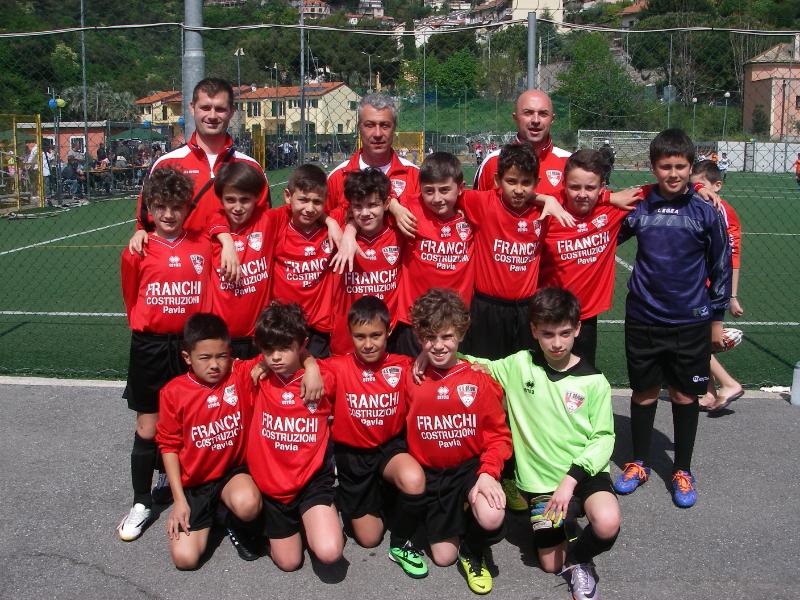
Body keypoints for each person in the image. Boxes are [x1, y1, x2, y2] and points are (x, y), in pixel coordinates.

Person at [462, 287, 620, 600]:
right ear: (534, 330)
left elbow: (604, 437)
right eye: (548, 334)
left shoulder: (594, 381)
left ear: (577, 329)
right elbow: (479, 364)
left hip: (582, 474)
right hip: (542, 482)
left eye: (565, 333)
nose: (557, 343)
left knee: (607, 522)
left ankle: (579, 562)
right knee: (549, 564)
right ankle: (560, 526)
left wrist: (571, 481)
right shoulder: (520, 365)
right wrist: (436, 354)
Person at [613, 129, 731, 509]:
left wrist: (716, 319)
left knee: (683, 394)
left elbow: (721, 265)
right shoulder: (640, 205)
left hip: (689, 321)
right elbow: (605, 235)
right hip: (643, 317)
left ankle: (682, 469)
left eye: (680, 166)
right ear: (654, 167)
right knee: (644, 393)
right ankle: (639, 462)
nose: (673, 173)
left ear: (690, 167)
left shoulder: (705, 209)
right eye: (665, 166)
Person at [117, 168, 216, 542]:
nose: (169, 214)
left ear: (188, 208)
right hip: (151, 346)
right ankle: (141, 502)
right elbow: (131, 299)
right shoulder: (138, 249)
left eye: (177, 207)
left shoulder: (202, 245)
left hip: (190, 345)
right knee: (148, 426)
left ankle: (183, 486)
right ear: (150, 210)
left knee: (190, 420)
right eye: (161, 207)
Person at [405, 289, 511, 594]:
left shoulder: (479, 379)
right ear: (419, 337)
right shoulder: (410, 376)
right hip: (433, 475)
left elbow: (499, 436)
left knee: (491, 515)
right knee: (442, 557)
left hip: (469, 468)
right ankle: (453, 516)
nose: (439, 345)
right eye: (430, 338)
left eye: (447, 336)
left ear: (462, 334)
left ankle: (473, 550)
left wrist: (488, 472)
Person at [324, 297, 428, 578]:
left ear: (389, 331)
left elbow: (443, 362)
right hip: (353, 457)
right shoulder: (336, 367)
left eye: (375, 335)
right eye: (360, 336)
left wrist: (427, 355)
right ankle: (345, 500)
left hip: (389, 449)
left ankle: (401, 543)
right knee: (369, 539)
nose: (368, 344)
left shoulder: (404, 365)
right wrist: (310, 366)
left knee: (413, 479)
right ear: (350, 334)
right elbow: (301, 362)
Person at [155, 313, 263, 569]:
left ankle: (231, 517)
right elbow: (169, 447)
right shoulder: (173, 392)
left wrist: (312, 367)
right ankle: (216, 515)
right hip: (196, 484)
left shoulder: (239, 374)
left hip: (232, 475)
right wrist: (179, 500)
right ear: (187, 358)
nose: (214, 365)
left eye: (221, 356)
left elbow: (283, 350)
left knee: (248, 504)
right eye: (205, 357)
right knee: (185, 559)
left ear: (230, 354)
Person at [245, 302, 344, 572]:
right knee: (289, 563)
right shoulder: (257, 373)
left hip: (312, 480)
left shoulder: (323, 377)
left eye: (284, 349)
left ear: (302, 345)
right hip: (273, 485)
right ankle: (260, 526)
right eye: (269, 350)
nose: (276, 357)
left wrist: (310, 365)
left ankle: (320, 515)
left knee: (329, 552)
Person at [129, 78, 269, 254]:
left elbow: (263, 224)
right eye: (205, 108)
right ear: (192, 107)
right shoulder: (166, 163)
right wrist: (141, 232)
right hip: (181, 267)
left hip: (235, 267)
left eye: (220, 109)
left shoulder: (250, 167)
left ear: (232, 112)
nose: (212, 116)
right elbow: (145, 223)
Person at [539, 149, 631, 366]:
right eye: (574, 187)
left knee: (582, 376)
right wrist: (543, 198)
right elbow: (515, 196)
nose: (582, 194)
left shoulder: (612, 210)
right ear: (564, 184)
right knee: (542, 376)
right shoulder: (548, 210)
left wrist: (699, 186)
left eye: (590, 187)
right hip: (547, 313)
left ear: (602, 187)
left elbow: (660, 187)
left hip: (586, 315)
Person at [390, 153, 475, 357]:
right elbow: (374, 196)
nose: (437, 198)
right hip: (414, 321)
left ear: (461, 188)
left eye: (445, 190)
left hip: (455, 324)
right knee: (411, 374)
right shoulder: (410, 207)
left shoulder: (473, 211)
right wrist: (393, 206)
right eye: (429, 191)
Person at [328, 168, 403, 356]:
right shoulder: (337, 230)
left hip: (388, 337)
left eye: (372, 205)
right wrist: (346, 229)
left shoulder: (399, 231)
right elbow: (315, 212)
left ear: (386, 204)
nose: (365, 212)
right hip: (345, 340)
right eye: (358, 206)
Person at [690, 160, 744, 413]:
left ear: (717, 186)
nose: (698, 190)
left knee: (692, 342)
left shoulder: (720, 210)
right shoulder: (699, 205)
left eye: (701, 185)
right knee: (696, 338)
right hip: (698, 284)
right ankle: (708, 392)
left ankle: (729, 384)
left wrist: (731, 296)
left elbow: (732, 256)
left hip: (711, 289)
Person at [270, 164, 339, 358]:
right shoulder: (277, 221)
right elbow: (224, 216)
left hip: (319, 327)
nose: (310, 208)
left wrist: (332, 222)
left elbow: (358, 208)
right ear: (287, 196)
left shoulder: (332, 224)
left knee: (317, 375)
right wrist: (225, 239)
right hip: (283, 324)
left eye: (317, 202)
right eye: (303, 200)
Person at [325, 94, 420, 215]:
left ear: (394, 129)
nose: (377, 134)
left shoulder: (415, 176)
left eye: (385, 125)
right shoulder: (337, 177)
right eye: (370, 125)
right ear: (359, 128)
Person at [474, 90, 571, 196]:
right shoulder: (492, 162)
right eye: (528, 113)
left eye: (543, 114)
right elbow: (477, 205)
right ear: (515, 118)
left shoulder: (570, 163)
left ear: (552, 119)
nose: (536, 120)